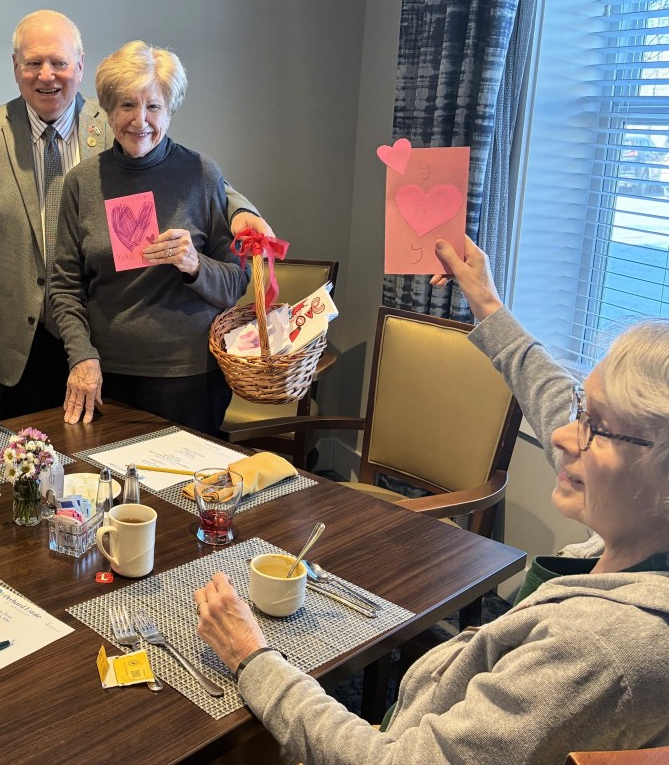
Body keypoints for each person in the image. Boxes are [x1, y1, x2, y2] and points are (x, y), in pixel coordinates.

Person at [193, 237, 669, 764]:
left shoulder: (598, 650)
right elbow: (550, 394)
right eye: (581, 411)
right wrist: (486, 301)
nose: (562, 435)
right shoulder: (643, 521)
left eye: (595, 427)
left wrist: (253, 659)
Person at [0, 9, 270, 419]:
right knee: (35, 452)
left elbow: (198, 182)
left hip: (122, 348)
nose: (47, 75)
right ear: (16, 66)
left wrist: (243, 211)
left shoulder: (119, 123)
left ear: (80, 65)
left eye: (59, 62)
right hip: (26, 343)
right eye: (34, 62)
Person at [48, 42, 250, 436]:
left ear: (170, 110)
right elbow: (64, 288)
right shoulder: (82, 183)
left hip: (189, 376)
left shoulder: (201, 174)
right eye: (127, 105)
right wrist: (82, 356)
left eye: (153, 106)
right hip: (105, 376)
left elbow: (236, 282)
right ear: (109, 111)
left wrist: (195, 264)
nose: (140, 120)